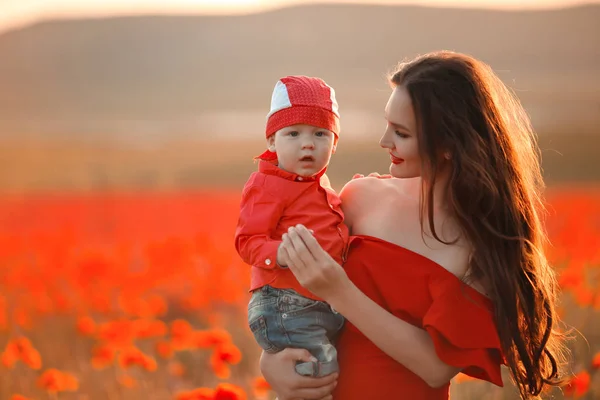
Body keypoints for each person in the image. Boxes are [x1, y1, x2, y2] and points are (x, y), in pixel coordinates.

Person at [259, 51, 568, 400]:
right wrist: (269, 361)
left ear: (449, 145)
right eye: (387, 124)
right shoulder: (360, 197)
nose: (384, 141)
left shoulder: (483, 242)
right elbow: (293, 293)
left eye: (402, 133)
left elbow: (434, 367)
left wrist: (338, 291)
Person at [235, 76, 349, 378]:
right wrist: (282, 253)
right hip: (286, 304)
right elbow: (247, 241)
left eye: (321, 134)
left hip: (319, 302)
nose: (308, 143)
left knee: (322, 378)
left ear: (335, 143)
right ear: (272, 141)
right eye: (293, 133)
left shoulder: (321, 186)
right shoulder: (267, 185)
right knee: (319, 376)